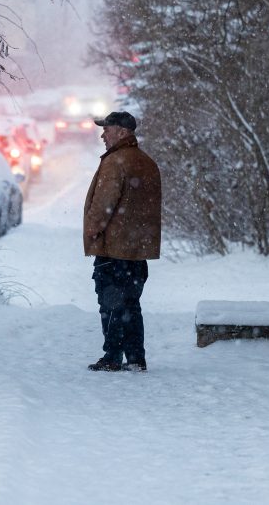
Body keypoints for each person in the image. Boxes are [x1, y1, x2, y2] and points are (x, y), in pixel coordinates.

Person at [83, 111, 161, 372]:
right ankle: (136, 358)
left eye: (108, 129)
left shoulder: (115, 162)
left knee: (111, 304)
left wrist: (92, 231)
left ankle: (112, 357)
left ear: (123, 133)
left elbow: (103, 206)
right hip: (137, 253)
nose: (103, 134)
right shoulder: (146, 162)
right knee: (131, 305)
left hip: (114, 250)